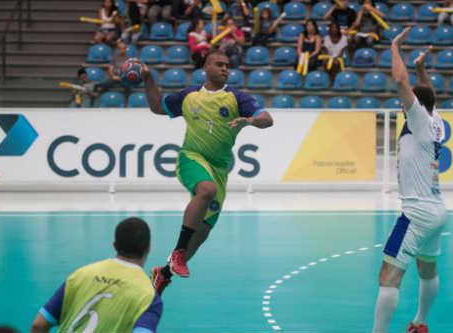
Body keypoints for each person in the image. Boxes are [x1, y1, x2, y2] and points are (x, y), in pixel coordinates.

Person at [139, 49, 273, 294]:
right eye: (219, 64)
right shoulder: (189, 96)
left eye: (227, 65)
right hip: (191, 157)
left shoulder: (237, 98)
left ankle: (163, 273)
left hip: (219, 169)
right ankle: (178, 252)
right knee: (206, 189)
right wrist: (148, 79)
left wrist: (251, 120)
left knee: (201, 233)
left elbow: (267, 118)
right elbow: (158, 107)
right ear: (206, 68)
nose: (224, 68)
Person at [371, 28, 447, 333]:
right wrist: (421, 69)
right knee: (427, 270)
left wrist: (394, 47)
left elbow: (401, 82)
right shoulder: (435, 121)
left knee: (388, 276)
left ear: (415, 104)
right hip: (437, 212)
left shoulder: (417, 120)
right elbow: (428, 94)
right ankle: (420, 323)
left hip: (415, 213)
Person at [30, 217, 162, 333]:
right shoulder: (148, 296)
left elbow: (38, 325)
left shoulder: (80, 275)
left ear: (115, 246)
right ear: (148, 247)